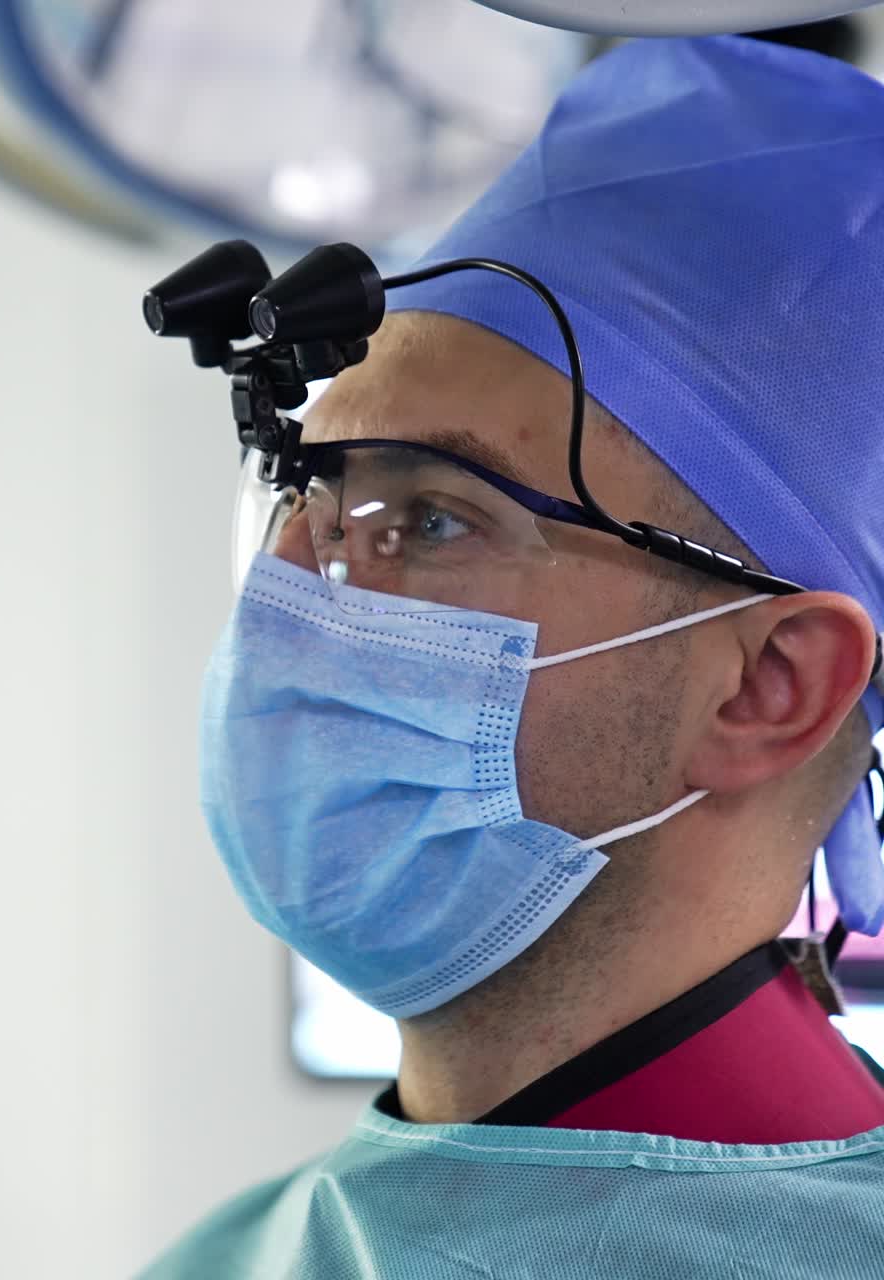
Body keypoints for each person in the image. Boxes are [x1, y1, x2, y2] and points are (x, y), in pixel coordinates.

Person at [139, 34, 884, 1279]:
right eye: (303, 500)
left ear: (769, 685)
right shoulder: (237, 1256)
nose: (296, 598)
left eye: (431, 519)